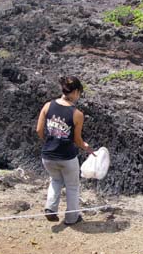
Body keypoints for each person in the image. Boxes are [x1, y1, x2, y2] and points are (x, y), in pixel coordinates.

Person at [36, 76, 94, 225]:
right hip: (67, 157)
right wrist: (86, 147)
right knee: (72, 186)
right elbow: (77, 140)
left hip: (47, 155)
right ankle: (72, 218)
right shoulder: (77, 114)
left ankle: (50, 208)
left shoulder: (48, 106)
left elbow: (38, 130)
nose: (78, 97)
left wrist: (49, 142)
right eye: (79, 93)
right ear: (74, 92)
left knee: (55, 180)